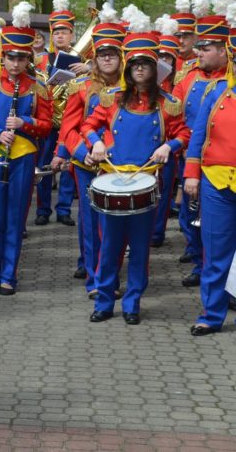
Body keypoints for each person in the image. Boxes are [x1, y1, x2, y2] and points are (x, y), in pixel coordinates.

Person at [82, 25, 189, 325]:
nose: (140, 69)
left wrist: (170, 145)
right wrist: (97, 142)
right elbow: (87, 126)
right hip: (112, 181)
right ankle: (104, 299)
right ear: (127, 68)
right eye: (135, 64)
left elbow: (186, 133)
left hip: (148, 184)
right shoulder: (111, 99)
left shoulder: (168, 103)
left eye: (146, 64)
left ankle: (132, 303)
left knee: (140, 249)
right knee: (110, 247)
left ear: (155, 69)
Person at [0, 1, 53, 296]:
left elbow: (46, 124)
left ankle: (8, 275)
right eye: (11, 57)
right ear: (3, 56)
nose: (15, 64)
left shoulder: (39, 87)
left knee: (16, 217)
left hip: (23, 156)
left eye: (21, 58)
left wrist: (24, 121)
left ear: (29, 58)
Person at [51, 7, 126, 297]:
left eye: (112, 54)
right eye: (102, 54)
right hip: (86, 165)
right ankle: (96, 280)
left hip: (119, 166)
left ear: (121, 58)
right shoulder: (79, 86)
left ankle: (111, 276)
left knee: (116, 225)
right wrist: (84, 153)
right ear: (93, 57)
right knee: (90, 222)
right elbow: (68, 128)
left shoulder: (130, 89)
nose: (107, 59)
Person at [183, 15, 236, 336]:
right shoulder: (217, 91)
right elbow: (198, 135)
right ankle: (211, 314)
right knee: (215, 251)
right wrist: (191, 174)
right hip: (216, 181)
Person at [173, 14, 230, 288]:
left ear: (223, 50)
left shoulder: (227, 82)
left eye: (206, 49)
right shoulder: (189, 76)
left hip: (219, 162)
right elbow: (173, 112)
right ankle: (198, 262)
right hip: (190, 157)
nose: (199, 53)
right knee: (190, 217)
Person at [35, 0, 84, 228]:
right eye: (56, 32)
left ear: (72, 34)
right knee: (44, 166)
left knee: (67, 167)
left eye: (64, 32)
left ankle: (64, 209)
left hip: (70, 121)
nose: (60, 36)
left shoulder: (81, 59)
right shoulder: (41, 59)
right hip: (47, 120)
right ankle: (43, 209)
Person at [151, 15, 182, 247]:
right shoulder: (144, 81)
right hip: (145, 145)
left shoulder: (179, 84)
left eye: (167, 57)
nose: (163, 60)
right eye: (159, 56)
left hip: (169, 147)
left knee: (163, 192)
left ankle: (157, 233)